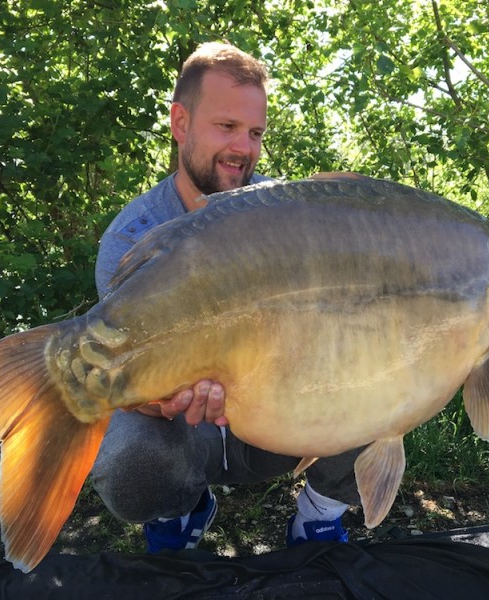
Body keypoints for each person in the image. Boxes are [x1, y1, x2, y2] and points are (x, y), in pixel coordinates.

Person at [91, 42, 362, 553]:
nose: (244, 146)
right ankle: (180, 507)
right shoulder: (133, 238)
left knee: (385, 359)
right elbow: (127, 382)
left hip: (276, 415)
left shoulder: (289, 216)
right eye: (226, 127)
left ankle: (318, 513)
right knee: (129, 465)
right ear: (180, 123)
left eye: (255, 132)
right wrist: (167, 394)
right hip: (181, 429)